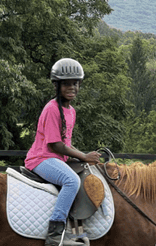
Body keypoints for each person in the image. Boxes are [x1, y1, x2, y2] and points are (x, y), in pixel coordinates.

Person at [24, 58, 101, 246]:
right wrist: (83, 156)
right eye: (67, 83)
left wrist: (85, 157)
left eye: (75, 83)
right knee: (71, 180)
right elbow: (55, 145)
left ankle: (76, 231)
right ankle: (55, 234)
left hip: (57, 159)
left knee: (83, 175)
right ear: (57, 85)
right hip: (41, 159)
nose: (72, 87)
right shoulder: (52, 109)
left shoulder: (71, 111)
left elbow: (67, 143)